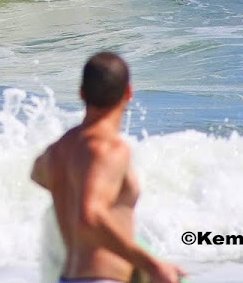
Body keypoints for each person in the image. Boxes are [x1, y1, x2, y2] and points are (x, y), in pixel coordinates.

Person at [31, 52, 187, 283]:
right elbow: (90, 216)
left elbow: (37, 174)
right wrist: (152, 265)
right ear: (129, 93)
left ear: (82, 93)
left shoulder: (60, 149)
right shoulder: (108, 149)